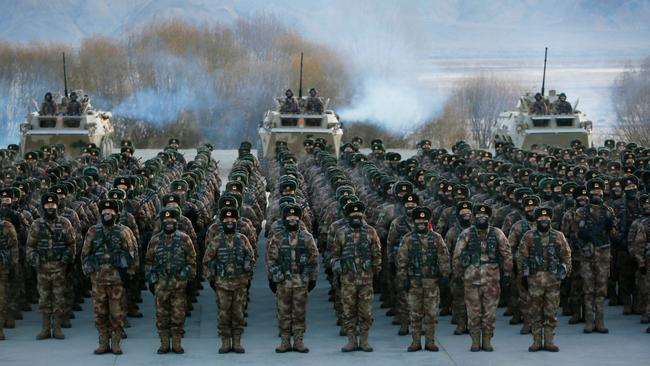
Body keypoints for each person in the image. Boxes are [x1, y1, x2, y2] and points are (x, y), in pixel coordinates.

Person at [453, 204, 512, 352]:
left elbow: (506, 254)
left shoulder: (497, 233)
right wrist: (458, 275)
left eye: (484, 216)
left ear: (489, 217)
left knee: (489, 313)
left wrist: (507, 273)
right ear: (474, 217)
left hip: (492, 280)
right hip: (471, 280)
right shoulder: (466, 234)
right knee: (473, 312)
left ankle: (487, 340)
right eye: (478, 216)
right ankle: (474, 341)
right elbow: (457, 255)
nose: (481, 218)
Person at [81, 199, 137, 355]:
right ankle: (103, 342)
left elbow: (132, 254)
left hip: (116, 281)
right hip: (98, 281)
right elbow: (85, 254)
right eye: (105, 212)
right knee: (100, 313)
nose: (107, 214)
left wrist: (129, 275)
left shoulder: (123, 231)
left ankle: (116, 342)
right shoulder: (93, 231)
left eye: (111, 212)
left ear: (116, 214)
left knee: (117, 313)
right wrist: (89, 272)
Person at [266, 204, 319, 353]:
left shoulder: (307, 237)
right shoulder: (278, 237)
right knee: (283, 313)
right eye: (289, 217)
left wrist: (312, 278)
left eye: (295, 217)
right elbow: (271, 259)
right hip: (283, 282)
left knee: (299, 313)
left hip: (301, 282)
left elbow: (313, 259)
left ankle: (298, 341)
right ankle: (284, 341)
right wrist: (274, 277)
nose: (292, 219)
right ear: (284, 219)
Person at [396, 207, 451, 352]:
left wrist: (445, 275)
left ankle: (430, 342)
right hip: (414, 282)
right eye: (418, 221)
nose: (421, 223)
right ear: (414, 222)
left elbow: (444, 257)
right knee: (415, 313)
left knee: (432, 313)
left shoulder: (436, 238)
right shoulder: (408, 238)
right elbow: (401, 259)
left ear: (428, 221)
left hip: (431, 282)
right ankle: (415, 342)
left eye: (424, 221)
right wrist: (403, 278)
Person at [329, 201, 381, 352]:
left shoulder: (371, 232)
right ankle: (351, 340)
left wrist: (375, 271)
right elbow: (334, 256)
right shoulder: (341, 233)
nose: (356, 218)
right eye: (353, 215)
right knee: (349, 312)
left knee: (366, 312)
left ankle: (364, 340)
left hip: (366, 280)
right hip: (348, 280)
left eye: (359, 215)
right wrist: (340, 270)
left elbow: (377, 254)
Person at [518, 207, 572, 352]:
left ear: (550, 219)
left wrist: (565, 272)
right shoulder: (528, 236)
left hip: (553, 281)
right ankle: (536, 341)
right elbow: (522, 257)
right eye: (541, 218)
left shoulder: (558, 236)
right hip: (534, 281)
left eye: (546, 218)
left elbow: (566, 256)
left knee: (551, 312)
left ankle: (549, 341)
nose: (544, 220)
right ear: (537, 220)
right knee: (535, 313)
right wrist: (523, 276)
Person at [203, 207, 255, 354]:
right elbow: (206, 261)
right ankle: (225, 342)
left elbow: (251, 258)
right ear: (222, 222)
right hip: (222, 284)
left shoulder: (243, 239)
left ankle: (237, 342)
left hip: (240, 284)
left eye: (232, 220)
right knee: (223, 314)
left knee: (238, 314)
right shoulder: (216, 241)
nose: (230, 222)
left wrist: (247, 275)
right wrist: (212, 279)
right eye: (226, 220)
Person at [145, 207, 197, 354]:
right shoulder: (155, 240)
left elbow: (192, 260)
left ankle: (176, 343)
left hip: (178, 285)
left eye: (172, 220)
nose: (169, 222)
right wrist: (152, 278)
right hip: (161, 285)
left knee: (178, 315)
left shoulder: (184, 239)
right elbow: (148, 261)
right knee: (162, 316)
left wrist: (186, 275)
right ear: (162, 222)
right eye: (166, 220)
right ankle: (164, 344)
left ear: (176, 222)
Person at [26, 193, 76, 340]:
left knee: (59, 298)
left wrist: (66, 259)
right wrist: (35, 259)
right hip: (42, 268)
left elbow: (71, 244)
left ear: (57, 206)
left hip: (59, 267)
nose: (50, 208)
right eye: (47, 205)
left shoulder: (65, 223)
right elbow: (30, 246)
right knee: (44, 298)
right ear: (43, 206)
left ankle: (58, 328)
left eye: (52, 205)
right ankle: (45, 328)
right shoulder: (36, 224)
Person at [572, 179, 615, 333]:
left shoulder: (608, 211)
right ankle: (589, 322)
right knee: (588, 289)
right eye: (594, 191)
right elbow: (575, 234)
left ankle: (600, 321)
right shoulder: (581, 212)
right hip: (587, 255)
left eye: (599, 191)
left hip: (603, 255)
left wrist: (610, 227)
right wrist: (583, 237)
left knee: (601, 290)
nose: (597, 193)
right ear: (589, 193)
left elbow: (613, 234)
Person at [0, 213, 19, 341]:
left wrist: (13, 265)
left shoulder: (6, 226)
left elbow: (13, 247)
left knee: (1, 298)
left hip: (2, 267)